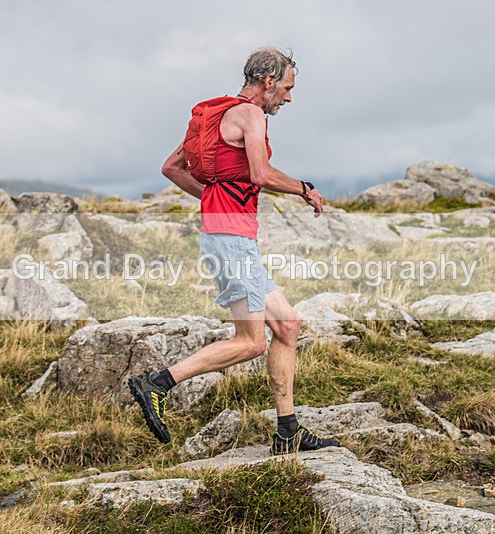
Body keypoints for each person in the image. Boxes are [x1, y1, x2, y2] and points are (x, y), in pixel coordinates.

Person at [128, 47, 340, 455]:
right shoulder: (252, 115)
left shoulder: (217, 113)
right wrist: (304, 189)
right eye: (288, 88)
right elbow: (261, 173)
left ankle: (288, 431)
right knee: (251, 341)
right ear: (268, 83)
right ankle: (157, 383)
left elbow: (171, 167)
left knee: (288, 326)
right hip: (230, 241)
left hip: (232, 236)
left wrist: (212, 198)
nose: (289, 97)